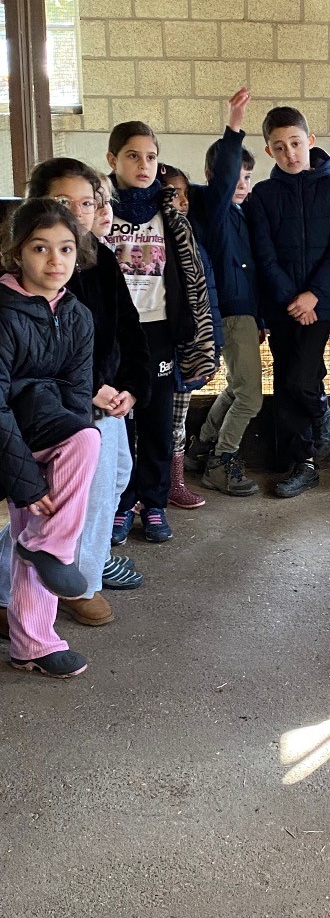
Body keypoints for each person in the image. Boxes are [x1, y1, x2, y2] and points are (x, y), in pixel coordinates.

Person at [0, 198, 101, 678]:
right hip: (6, 436)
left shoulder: (78, 315)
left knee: (39, 526)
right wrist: (25, 478)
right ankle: (52, 550)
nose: (54, 260)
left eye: (65, 248)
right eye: (40, 248)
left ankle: (33, 643)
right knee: (84, 443)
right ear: (16, 253)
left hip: (44, 431)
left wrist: (51, 468)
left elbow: (78, 396)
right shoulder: (3, 312)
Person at [104, 121, 216, 543]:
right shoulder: (101, 210)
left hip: (158, 331)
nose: (144, 165)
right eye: (133, 156)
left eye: (151, 157)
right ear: (113, 159)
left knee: (156, 422)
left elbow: (190, 278)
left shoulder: (170, 214)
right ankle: (121, 503)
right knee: (118, 420)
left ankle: (153, 503)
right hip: (113, 333)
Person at [246, 106, 330, 497]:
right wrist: (291, 299)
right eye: (279, 147)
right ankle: (302, 463)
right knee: (285, 379)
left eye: (295, 143)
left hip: (320, 306)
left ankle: (320, 407)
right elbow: (264, 254)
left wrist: (313, 296)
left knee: (301, 378)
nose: (290, 153)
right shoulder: (263, 195)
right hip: (283, 306)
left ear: (310, 141)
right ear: (268, 151)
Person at [184, 88, 264, 497]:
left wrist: (259, 318)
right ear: (214, 177)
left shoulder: (239, 215)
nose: (242, 184)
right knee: (250, 397)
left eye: (248, 177)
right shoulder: (214, 211)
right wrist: (234, 126)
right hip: (231, 314)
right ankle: (221, 461)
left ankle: (200, 448)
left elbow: (251, 273)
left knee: (236, 386)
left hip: (245, 314)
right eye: (235, 176)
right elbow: (224, 173)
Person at [158, 162, 224, 509]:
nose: (182, 201)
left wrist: (213, 347)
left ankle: (176, 483)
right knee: (148, 421)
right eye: (174, 194)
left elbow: (207, 296)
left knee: (177, 420)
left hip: (190, 348)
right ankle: (144, 488)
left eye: (185, 193)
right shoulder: (152, 239)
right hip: (158, 345)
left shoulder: (193, 240)